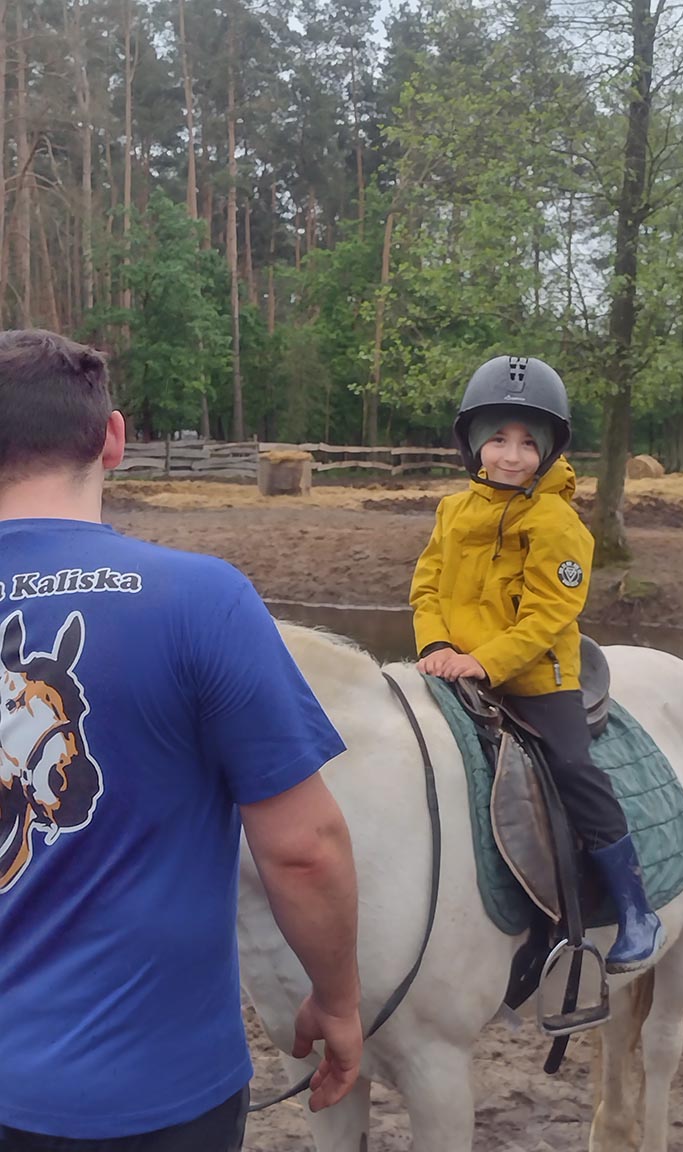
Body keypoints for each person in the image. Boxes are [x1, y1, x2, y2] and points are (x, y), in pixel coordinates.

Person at [0, 330, 362, 1151]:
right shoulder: (202, 601)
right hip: (155, 1098)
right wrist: (338, 1002)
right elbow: (304, 851)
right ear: (114, 440)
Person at [409, 354, 665, 974]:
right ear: (474, 442)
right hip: (451, 667)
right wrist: (435, 647)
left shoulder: (558, 523)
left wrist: (483, 661)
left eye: (528, 443)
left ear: (549, 451)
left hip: (534, 678)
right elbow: (427, 587)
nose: (511, 455)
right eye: (498, 439)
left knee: (573, 769)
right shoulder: (452, 511)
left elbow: (550, 614)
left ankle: (634, 906)